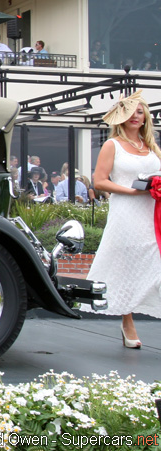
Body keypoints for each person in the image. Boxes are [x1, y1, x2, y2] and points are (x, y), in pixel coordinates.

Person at [87, 91, 161, 349]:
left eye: (140, 112)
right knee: (127, 264)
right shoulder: (112, 145)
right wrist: (132, 191)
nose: (135, 116)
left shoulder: (152, 147)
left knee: (156, 262)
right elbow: (99, 180)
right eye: (131, 111)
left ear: (145, 117)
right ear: (122, 115)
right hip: (126, 213)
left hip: (151, 213)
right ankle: (127, 321)